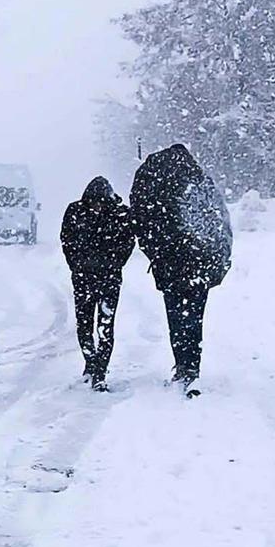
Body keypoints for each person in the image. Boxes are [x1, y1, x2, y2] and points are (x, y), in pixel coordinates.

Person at [130, 144, 232, 395]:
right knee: (195, 318)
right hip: (201, 266)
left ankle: (182, 365)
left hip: (171, 267)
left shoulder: (156, 186)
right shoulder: (199, 183)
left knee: (176, 318)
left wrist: (156, 254)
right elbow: (219, 223)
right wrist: (217, 260)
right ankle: (192, 368)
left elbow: (142, 223)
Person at [61, 176, 135, 391]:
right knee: (84, 325)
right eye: (93, 203)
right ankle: (90, 362)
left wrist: (114, 264)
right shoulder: (75, 212)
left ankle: (100, 371)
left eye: (101, 203)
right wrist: (76, 265)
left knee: (105, 327)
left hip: (108, 279)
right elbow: (67, 240)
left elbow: (128, 242)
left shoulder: (120, 215)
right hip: (84, 278)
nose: (97, 207)